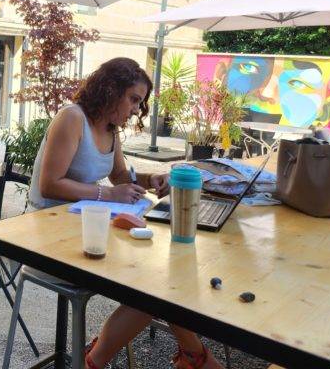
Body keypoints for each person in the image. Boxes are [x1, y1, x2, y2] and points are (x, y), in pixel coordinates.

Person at [28, 57, 222, 369]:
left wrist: (152, 178)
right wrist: (107, 193)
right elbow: (49, 184)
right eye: (133, 99)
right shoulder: (72, 118)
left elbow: (120, 177)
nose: (136, 109)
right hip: (46, 238)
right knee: (154, 284)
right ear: (110, 89)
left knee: (159, 279)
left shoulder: (110, 127)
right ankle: (192, 357)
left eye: (140, 102)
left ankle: (100, 357)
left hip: (83, 228)